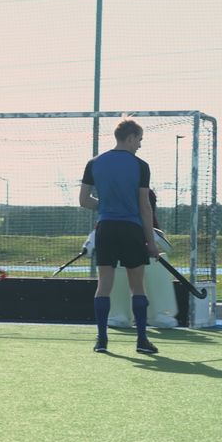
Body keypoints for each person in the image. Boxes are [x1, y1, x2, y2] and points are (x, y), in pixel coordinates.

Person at [79, 119, 160, 354]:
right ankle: (142, 340)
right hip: (131, 230)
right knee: (137, 286)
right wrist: (151, 243)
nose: (140, 146)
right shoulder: (140, 165)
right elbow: (145, 207)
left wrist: (106, 206)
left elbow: (84, 201)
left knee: (104, 285)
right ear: (131, 137)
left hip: (105, 228)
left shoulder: (94, 163)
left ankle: (102, 340)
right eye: (140, 140)